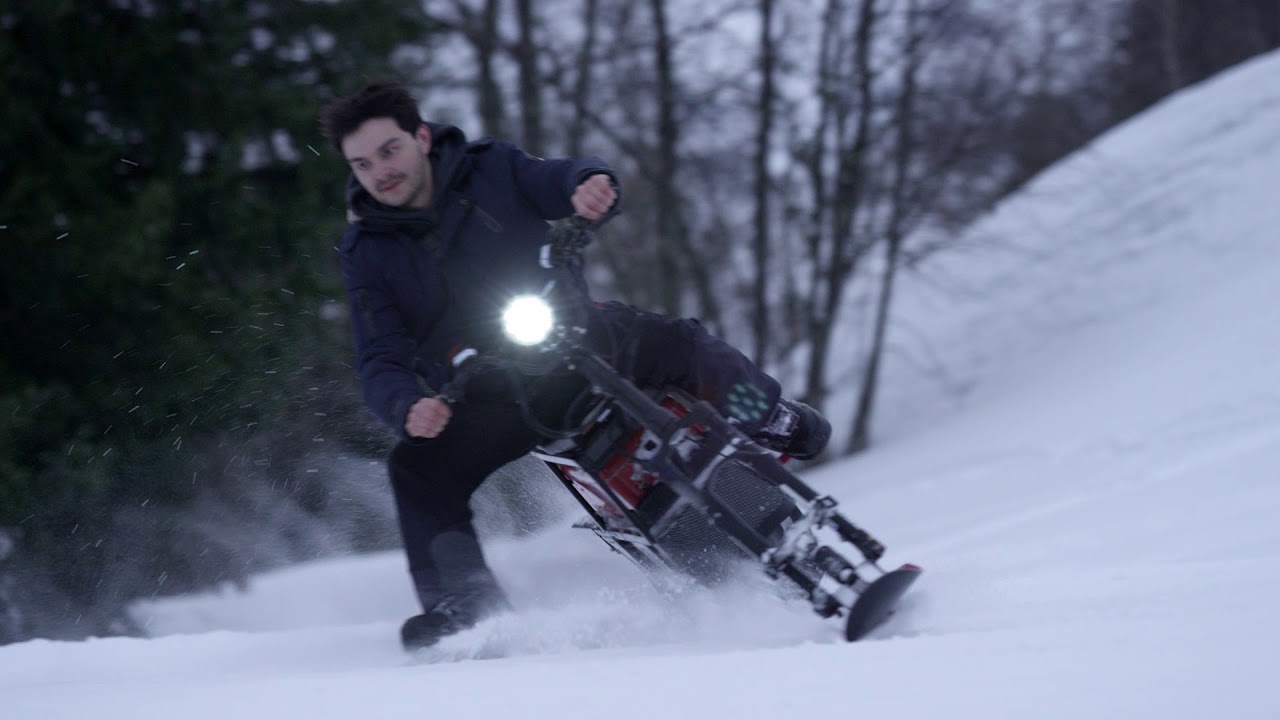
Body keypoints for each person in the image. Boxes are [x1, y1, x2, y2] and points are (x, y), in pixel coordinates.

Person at [317, 81, 831, 651]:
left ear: (419, 136)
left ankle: (774, 418)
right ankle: (465, 610)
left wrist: (588, 183)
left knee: (680, 344)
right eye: (362, 164)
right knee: (417, 470)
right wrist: (407, 405)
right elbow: (379, 358)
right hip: (489, 392)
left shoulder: (488, 166)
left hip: (576, 334)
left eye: (389, 151)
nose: (379, 172)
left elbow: (556, 179)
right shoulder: (366, 253)